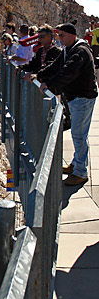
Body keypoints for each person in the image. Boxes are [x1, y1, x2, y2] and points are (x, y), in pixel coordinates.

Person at [42, 24, 97, 185]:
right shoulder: (68, 49)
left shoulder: (80, 51)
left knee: (79, 135)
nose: (60, 38)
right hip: (76, 97)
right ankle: (77, 164)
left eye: (63, 35)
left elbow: (68, 72)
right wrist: (39, 75)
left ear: (72, 35)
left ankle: (81, 172)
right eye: (59, 35)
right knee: (78, 133)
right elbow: (55, 67)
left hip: (83, 97)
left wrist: (49, 85)